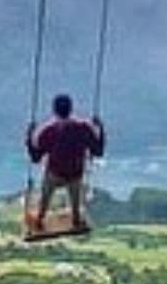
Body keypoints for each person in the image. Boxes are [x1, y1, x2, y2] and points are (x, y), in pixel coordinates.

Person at [25, 93, 106, 232]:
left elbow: (35, 158)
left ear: (54, 110)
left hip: (55, 173)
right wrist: (100, 128)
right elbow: (98, 151)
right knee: (76, 197)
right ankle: (76, 219)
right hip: (75, 173)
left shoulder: (49, 131)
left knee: (46, 195)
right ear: (71, 109)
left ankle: (40, 219)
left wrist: (29, 137)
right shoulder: (84, 128)